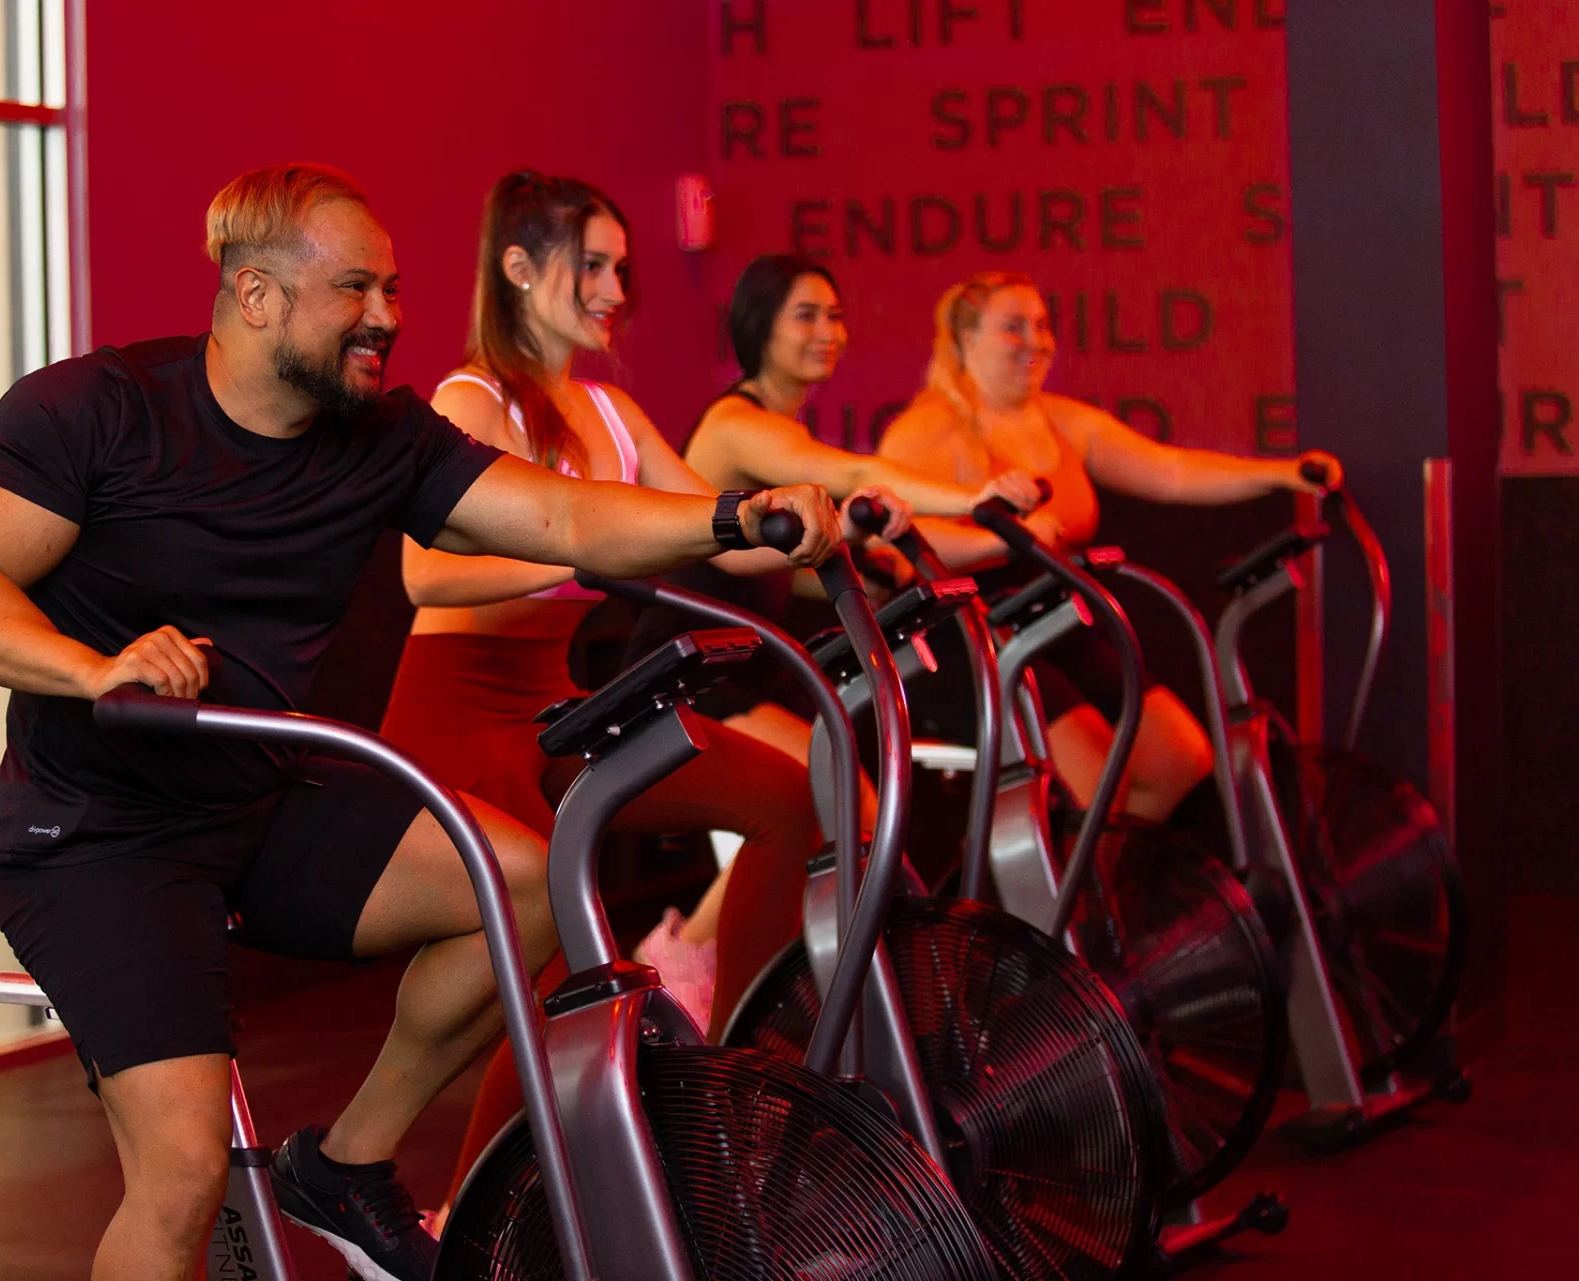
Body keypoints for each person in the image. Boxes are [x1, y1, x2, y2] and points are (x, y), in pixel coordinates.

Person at [0, 162, 839, 1281]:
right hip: (100, 836)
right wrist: (94, 665)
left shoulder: (381, 438)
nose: (390, 317)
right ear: (257, 297)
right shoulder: (94, 409)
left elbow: (558, 513)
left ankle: (346, 1165)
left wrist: (733, 517)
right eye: (357, 289)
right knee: (184, 1172)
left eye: (393, 289)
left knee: (527, 885)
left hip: (261, 794)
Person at [376, 175, 872, 1217]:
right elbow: (425, 578)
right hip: (457, 711)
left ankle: (740, 1084)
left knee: (787, 800)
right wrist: (575, 557)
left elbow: (714, 532)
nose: (613, 290)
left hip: (553, 704)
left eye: (618, 269)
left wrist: (808, 517)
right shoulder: (473, 404)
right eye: (590, 266)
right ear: (518, 268)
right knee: (555, 952)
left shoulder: (608, 409)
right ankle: (469, 1216)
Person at [875, 270, 1341, 822]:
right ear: (965, 340)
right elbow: (901, 547)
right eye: (1013, 327)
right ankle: (1066, 903)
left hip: (1054, 618)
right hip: (969, 634)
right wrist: (1001, 539)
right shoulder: (929, 429)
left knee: (1178, 761)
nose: (1036, 341)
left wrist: (1283, 474)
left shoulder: (1062, 421)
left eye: (1043, 325)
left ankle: (1113, 895)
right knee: (1095, 784)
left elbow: (1170, 470)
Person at [627, 253, 1038, 774]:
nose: (827, 331)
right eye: (806, 315)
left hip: (748, 660)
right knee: (836, 790)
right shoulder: (737, 423)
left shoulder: (781, 424)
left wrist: (869, 570)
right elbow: (848, 474)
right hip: (682, 667)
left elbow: (760, 567)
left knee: (862, 786)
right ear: (760, 327)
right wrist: (974, 499)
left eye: (835, 315)